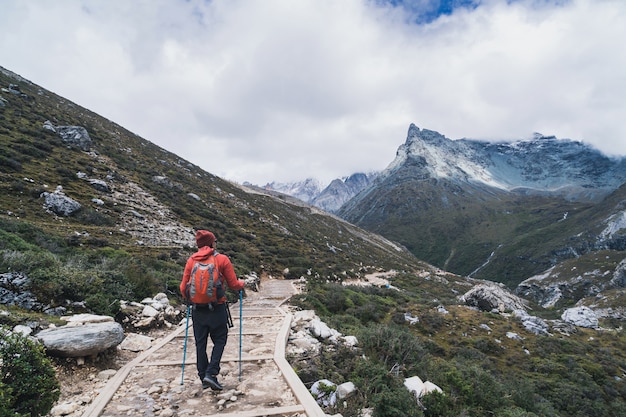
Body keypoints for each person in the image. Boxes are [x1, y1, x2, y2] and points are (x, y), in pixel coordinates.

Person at [180, 229, 245, 390]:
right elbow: (233, 285)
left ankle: (203, 376)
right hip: (217, 308)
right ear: (211, 243)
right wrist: (242, 284)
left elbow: (183, 287)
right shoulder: (222, 259)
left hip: (197, 310)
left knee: (200, 343)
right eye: (214, 241)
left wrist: (192, 299)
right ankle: (211, 373)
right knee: (220, 339)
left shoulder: (191, 261)